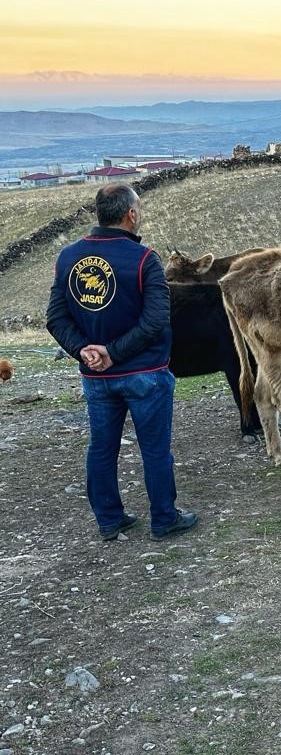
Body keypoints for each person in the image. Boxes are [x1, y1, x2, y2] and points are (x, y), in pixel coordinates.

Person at [46, 183, 198, 541]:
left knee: (101, 447)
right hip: (145, 374)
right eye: (138, 208)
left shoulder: (68, 258)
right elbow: (156, 319)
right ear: (131, 214)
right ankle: (164, 518)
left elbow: (55, 317)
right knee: (155, 449)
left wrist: (84, 350)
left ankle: (109, 519)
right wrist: (113, 352)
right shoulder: (145, 260)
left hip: (96, 378)